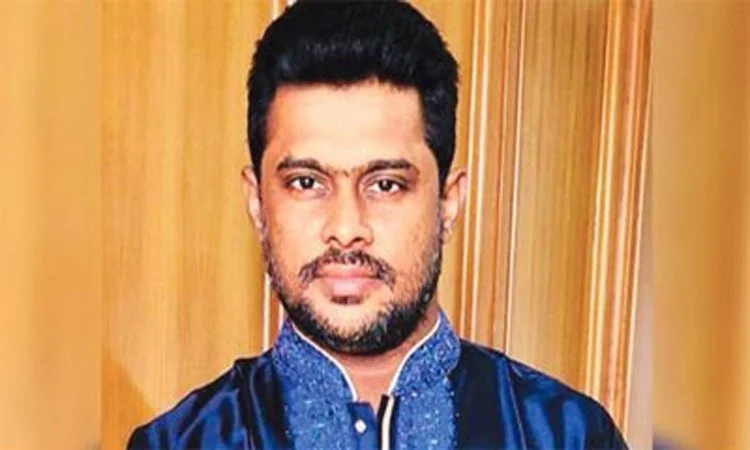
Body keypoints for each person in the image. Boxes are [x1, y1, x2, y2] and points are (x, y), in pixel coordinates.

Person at [128, 1, 627, 448]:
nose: (346, 228)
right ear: (258, 203)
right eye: (306, 182)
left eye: (385, 184)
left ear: (448, 202)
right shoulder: (178, 443)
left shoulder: (567, 436)